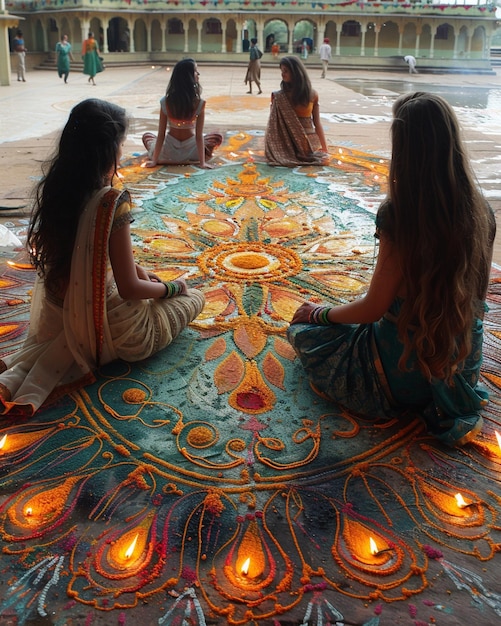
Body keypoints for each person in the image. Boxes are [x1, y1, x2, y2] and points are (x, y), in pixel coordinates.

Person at [287, 92, 496, 448]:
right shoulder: (481, 211)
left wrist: (319, 314)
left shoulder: (400, 216)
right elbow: (479, 294)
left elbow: (373, 308)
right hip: (458, 366)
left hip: (401, 371)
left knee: (307, 333)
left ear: (404, 151)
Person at [0, 99, 205, 416]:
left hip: (63, 314)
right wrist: (173, 288)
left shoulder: (57, 188)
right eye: (121, 145)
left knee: (151, 285)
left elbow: (99, 255)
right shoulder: (110, 201)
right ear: (109, 150)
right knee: (197, 299)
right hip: (118, 336)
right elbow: (130, 289)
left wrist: (143, 273)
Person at [142, 58, 223, 168]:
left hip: (168, 152)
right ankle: (198, 157)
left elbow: (161, 135)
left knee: (148, 137)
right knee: (216, 136)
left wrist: (155, 161)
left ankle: (159, 156)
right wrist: (202, 162)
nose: (198, 74)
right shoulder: (200, 103)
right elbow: (199, 136)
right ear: (188, 76)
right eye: (195, 71)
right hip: (192, 152)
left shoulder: (165, 102)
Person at [264, 56, 328, 167]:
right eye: (282, 71)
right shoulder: (279, 97)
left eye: (286, 71)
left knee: (320, 158)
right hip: (287, 145)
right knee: (281, 159)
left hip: (308, 144)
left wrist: (325, 149)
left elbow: (317, 123)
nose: (282, 74)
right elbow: (273, 127)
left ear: (296, 72)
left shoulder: (312, 95)